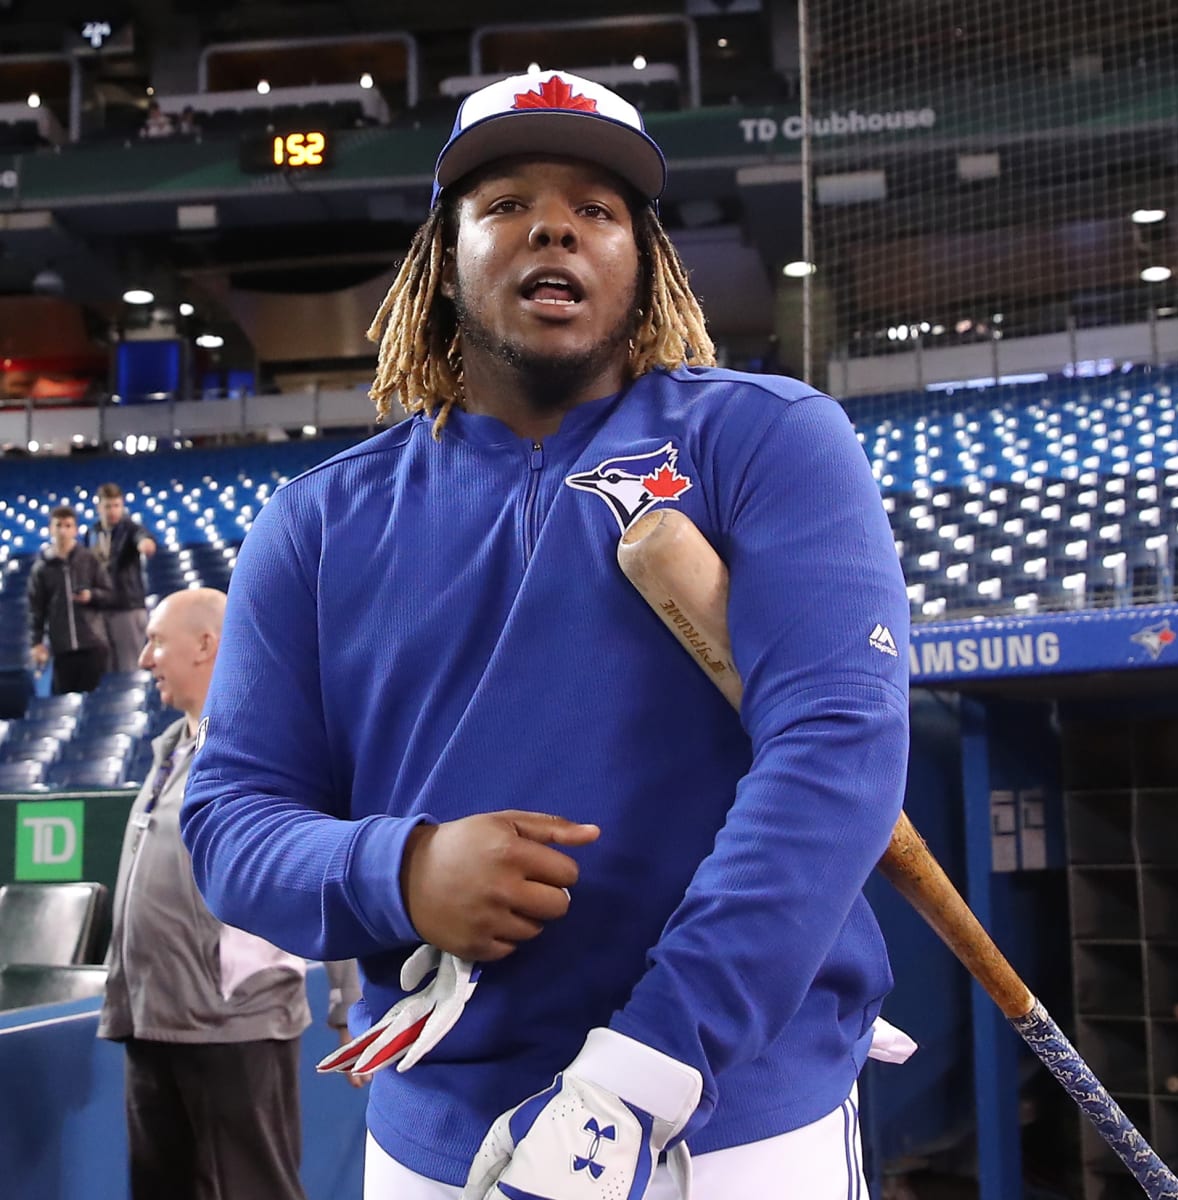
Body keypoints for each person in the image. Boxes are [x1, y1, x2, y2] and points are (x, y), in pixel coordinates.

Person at [182, 67, 910, 1200]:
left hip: (738, 1124)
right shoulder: (317, 519)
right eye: (507, 201)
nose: (555, 225)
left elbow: (836, 755)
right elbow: (231, 824)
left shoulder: (768, 438)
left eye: (599, 208)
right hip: (438, 1137)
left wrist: (652, 1064)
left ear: (645, 259)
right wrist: (403, 868)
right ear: (443, 255)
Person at [99, 587, 363, 1200]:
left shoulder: (273, 744)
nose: (143, 659)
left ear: (206, 645)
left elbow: (323, 868)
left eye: (157, 640)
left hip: (232, 1023)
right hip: (151, 1020)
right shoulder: (168, 748)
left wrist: (348, 1004)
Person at [27, 505, 113, 693]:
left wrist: (91, 596)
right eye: (58, 525)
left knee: (95, 700)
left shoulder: (89, 559)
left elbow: (108, 594)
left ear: (75, 529)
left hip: (92, 643)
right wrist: (37, 642)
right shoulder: (41, 568)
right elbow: (36, 609)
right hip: (62, 647)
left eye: (68, 525)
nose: (63, 530)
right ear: (51, 528)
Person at [86, 482, 157, 673]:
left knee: (129, 666)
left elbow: (143, 538)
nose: (113, 511)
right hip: (101, 607)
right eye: (108, 506)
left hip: (127, 606)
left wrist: (145, 544)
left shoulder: (130, 528)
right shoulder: (92, 533)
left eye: (117, 505)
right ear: (99, 507)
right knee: (106, 668)